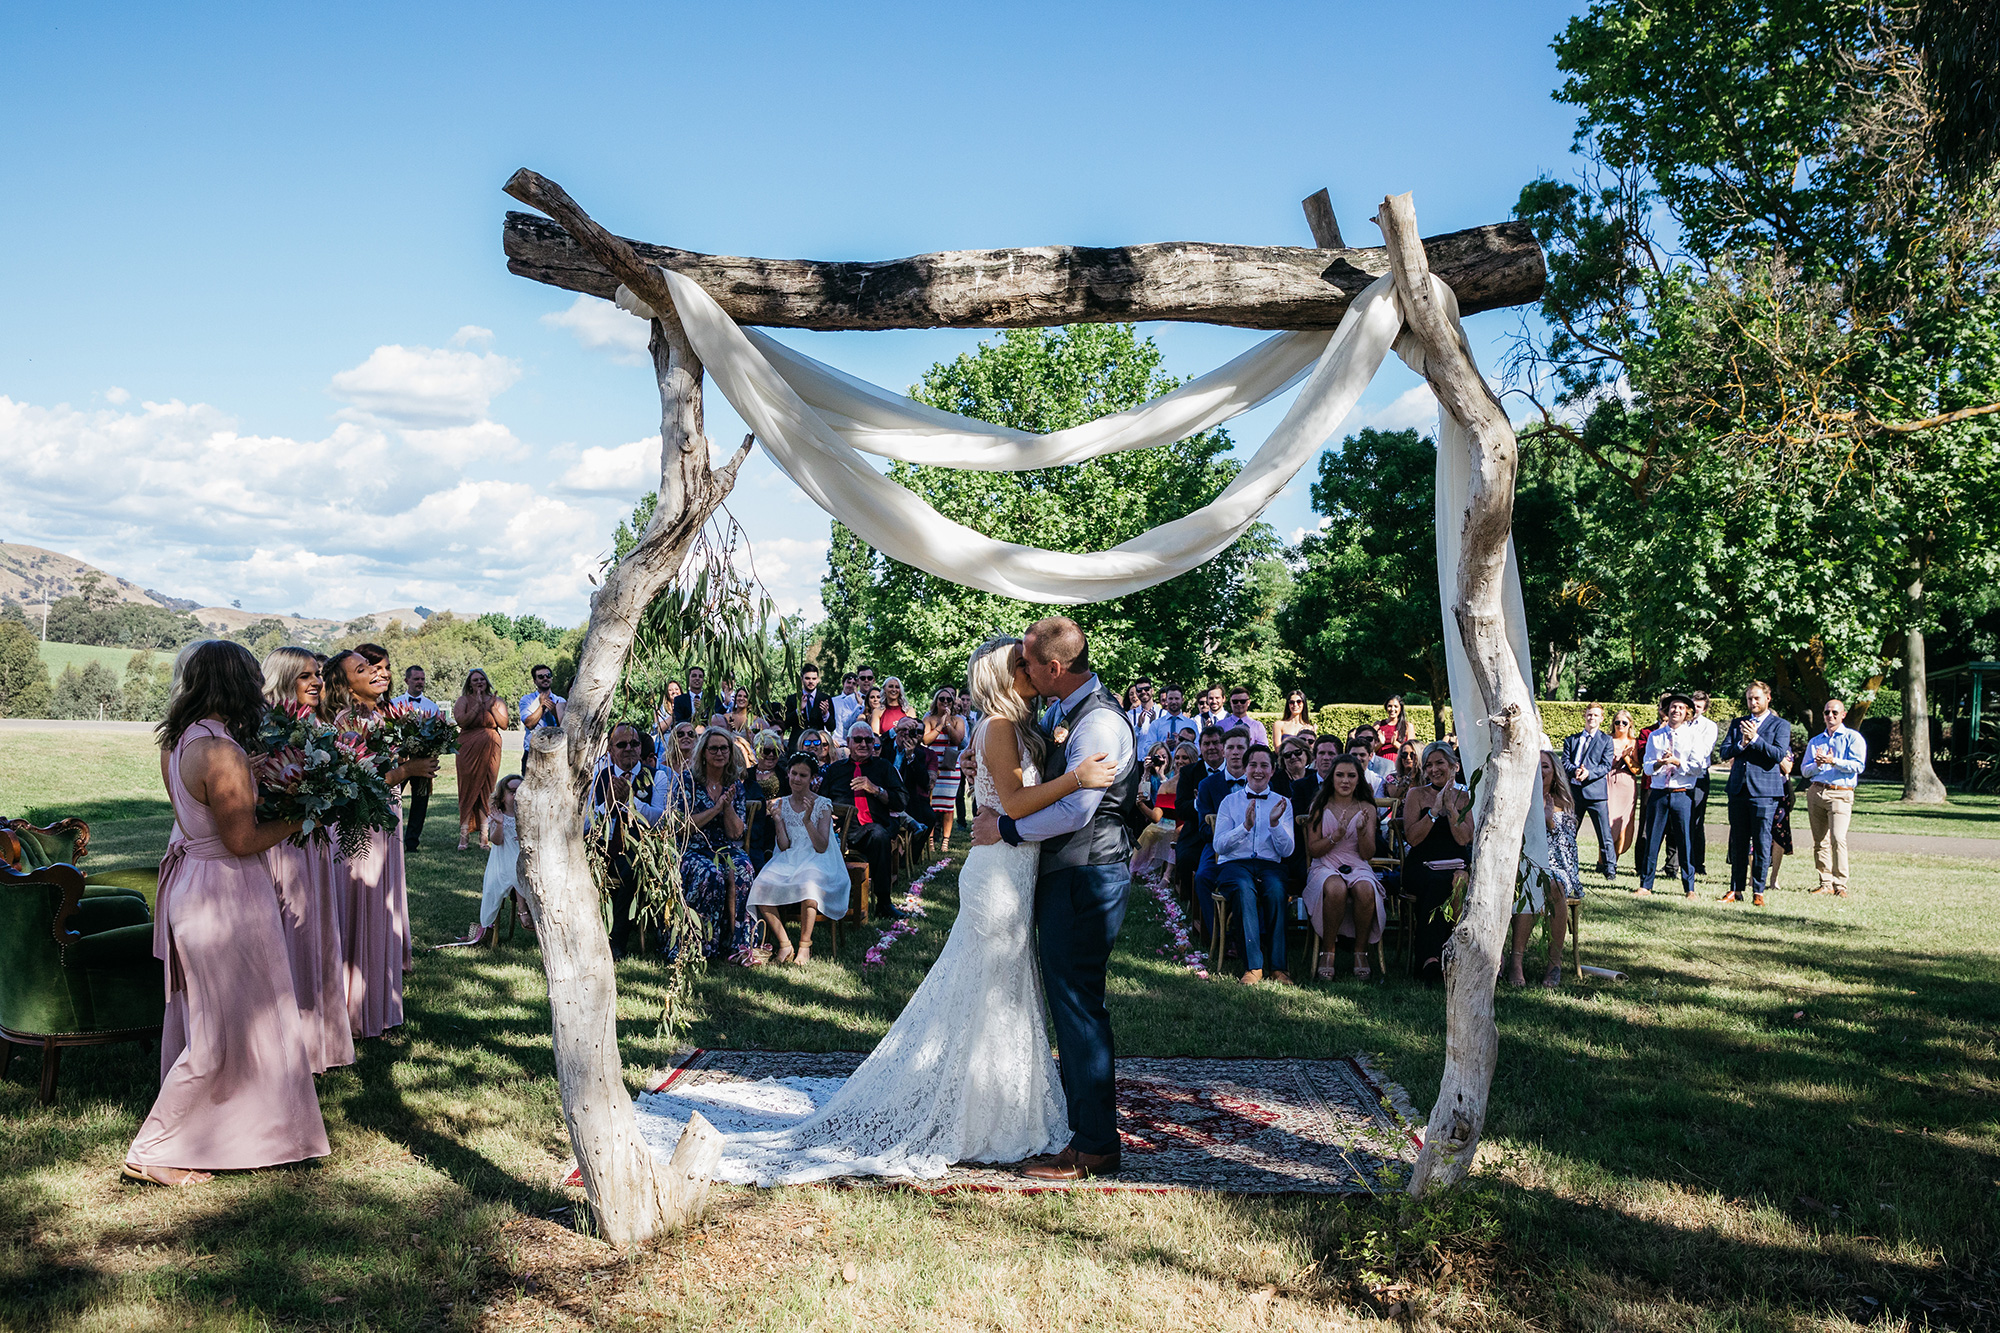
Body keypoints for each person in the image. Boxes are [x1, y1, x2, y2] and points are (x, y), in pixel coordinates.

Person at [649, 634, 1122, 1186]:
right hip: (998, 877)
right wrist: (1074, 778)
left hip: (1017, 873)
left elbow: (1010, 791)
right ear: (1006, 675)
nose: (1031, 671)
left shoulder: (1020, 729)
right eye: (1021, 664)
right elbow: (1016, 803)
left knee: (1006, 994)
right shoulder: (996, 727)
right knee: (988, 990)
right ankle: (977, 1114)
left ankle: (1002, 1105)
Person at [123, 640, 330, 1187]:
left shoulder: (180, 740)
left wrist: (254, 774)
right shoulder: (223, 751)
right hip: (228, 892)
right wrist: (307, 814)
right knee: (223, 1027)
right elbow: (242, 840)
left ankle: (241, 1128)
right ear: (236, 684)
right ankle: (154, 1148)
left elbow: (201, 810)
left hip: (194, 884)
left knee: (227, 1017)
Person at [973, 616, 1139, 1181]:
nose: (1021, 668)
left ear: (1054, 668)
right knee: (1069, 1004)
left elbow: (1078, 809)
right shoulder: (1058, 714)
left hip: (1085, 876)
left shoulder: (1095, 724)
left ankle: (1094, 1145)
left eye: (1027, 660)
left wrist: (1010, 830)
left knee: (1077, 1007)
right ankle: (1079, 1129)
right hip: (1067, 873)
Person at [324, 644, 436, 1039]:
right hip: (358, 827)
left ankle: (377, 1002)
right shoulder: (346, 720)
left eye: (381, 668)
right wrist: (408, 768)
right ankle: (355, 1011)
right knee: (364, 906)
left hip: (384, 817)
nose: (379, 673)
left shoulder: (378, 716)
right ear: (344, 683)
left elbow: (383, 771)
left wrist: (415, 763)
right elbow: (354, 780)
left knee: (380, 905)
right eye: (366, 668)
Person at [259, 646, 353, 1076]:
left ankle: (319, 1042)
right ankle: (286, 1043)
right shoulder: (264, 730)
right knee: (288, 937)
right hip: (280, 848)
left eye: (317, 674)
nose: (317, 682)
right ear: (282, 679)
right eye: (305, 677)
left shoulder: (318, 725)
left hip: (313, 846)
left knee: (316, 934)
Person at [748, 754, 850, 965]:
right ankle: (785, 944)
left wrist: (807, 820)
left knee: (809, 885)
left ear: (812, 778)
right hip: (790, 858)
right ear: (788, 774)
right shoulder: (782, 803)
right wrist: (777, 820)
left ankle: (805, 945)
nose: (797, 779)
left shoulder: (822, 804)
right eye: (794, 773)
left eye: (803, 775)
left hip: (818, 858)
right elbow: (784, 845)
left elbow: (821, 846)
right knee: (760, 886)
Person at [1213, 744, 1294, 985]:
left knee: (1277, 889)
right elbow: (1219, 846)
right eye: (1253, 765)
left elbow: (1287, 850)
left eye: (1264, 766)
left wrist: (1274, 824)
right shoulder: (1229, 802)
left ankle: (1279, 967)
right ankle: (1253, 967)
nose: (1258, 770)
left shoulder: (1283, 803)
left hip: (1270, 864)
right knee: (1243, 888)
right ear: (1245, 768)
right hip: (1235, 864)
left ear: (1272, 770)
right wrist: (1244, 827)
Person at [680, 725, 758, 961]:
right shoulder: (688, 781)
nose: (719, 753)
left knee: (742, 869)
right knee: (711, 874)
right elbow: (683, 826)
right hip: (694, 849)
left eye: (724, 748)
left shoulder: (735, 784)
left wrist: (727, 808)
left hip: (726, 847)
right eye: (713, 748)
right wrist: (715, 809)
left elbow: (736, 834)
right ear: (703, 752)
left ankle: (737, 943)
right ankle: (703, 944)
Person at [590, 722, 667, 959]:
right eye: (621, 744)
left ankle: (616, 942)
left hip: (640, 847)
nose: (628, 749)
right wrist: (609, 804)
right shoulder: (597, 776)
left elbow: (660, 820)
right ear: (611, 750)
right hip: (601, 844)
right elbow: (585, 821)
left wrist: (631, 802)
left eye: (634, 744)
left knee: (628, 869)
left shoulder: (657, 776)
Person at [1303, 753, 1381, 981]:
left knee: (1366, 888)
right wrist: (1335, 836)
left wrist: (1361, 832)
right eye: (1340, 775)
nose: (1345, 781)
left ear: (1359, 779)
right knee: (1336, 888)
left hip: (1356, 862)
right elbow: (1314, 850)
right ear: (1331, 778)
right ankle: (1328, 953)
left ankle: (1361, 952)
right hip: (1325, 862)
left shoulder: (1367, 807)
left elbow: (1367, 854)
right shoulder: (1319, 805)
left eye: (1351, 776)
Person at [818, 722, 908, 918]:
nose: (864, 744)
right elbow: (822, 802)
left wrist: (876, 789)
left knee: (878, 834)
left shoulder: (884, 767)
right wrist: (829, 814)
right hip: (842, 830)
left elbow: (901, 802)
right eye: (858, 740)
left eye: (869, 740)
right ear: (849, 742)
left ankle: (883, 902)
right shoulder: (835, 770)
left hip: (874, 828)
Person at [1717, 681, 1794, 906]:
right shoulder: (1738, 723)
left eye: (1757, 698)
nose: (1752, 702)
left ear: (1768, 698)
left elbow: (1778, 754)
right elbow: (1724, 751)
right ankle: (1735, 889)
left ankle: (1758, 891)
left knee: (1761, 842)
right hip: (1739, 790)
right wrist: (1741, 744)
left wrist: (1757, 740)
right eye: (1750, 698)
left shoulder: (1780, 725)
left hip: (1765, 792)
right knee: (1738, 842)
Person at [1402, 742, 1473, 985]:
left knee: (1454, 882)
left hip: (1456, 866)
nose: (1433, 769)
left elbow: (1464, 838)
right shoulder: (1416, 795)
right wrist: (1433, 811)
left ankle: (1447, 954)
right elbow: (1412, 838)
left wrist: (1450, 807)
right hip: (1421, 867)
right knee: (1437, 883)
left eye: (1440, 763)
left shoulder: (1465, 797)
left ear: (1455, 766)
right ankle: (1431, 958)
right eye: (1429, 764)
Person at [1510, 750, 1580, 989]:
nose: (1539, 771)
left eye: (1545, 767)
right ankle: (1515, 961)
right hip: (1524, 865)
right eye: (1535, 766)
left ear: (1555, 773)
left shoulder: (1563, 803)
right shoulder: (1517, 799)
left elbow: (1566, 847)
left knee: (1551, 884)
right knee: (1530, 881)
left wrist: (1549, 822)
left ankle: (1554, 962)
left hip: (1557, 867)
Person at [1636, 693, 1708, 897]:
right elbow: (1648, 766)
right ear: (1666, 711)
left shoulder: (1693, 736)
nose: (1676, 711)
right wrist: (1660, 762)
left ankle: (1689, 887)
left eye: (1681, 708)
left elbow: (1698, 767)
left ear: (1687, 713)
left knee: (1685, 839)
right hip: (1658, 793)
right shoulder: (1655, 736)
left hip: (1682, 793)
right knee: (1652, 839)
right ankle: (1646, 885)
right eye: (1673, 707)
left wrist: (1677, 762)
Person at [1802, 698, 1867, 897]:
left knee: (1838, 838)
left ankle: (1841, 885)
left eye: (1835, 713)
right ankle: (1825, 882)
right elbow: (1805, 770)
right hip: (1817, 791)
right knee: (1820, 840)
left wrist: (1834, 761)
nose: (1830, 716)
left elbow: (1858, 766)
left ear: (1843, 715)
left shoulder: (1852, 738)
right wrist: (1818, 765)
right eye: (1827, 712)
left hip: (1841, 793)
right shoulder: (1816, 741)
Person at [1192, 730, 1252, 942]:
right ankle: (1218, 937)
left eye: (1240, 748)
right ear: (1223, 752)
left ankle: (1252, 936)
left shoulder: (1259, 781)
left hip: (1253, 846)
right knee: (1203, 877)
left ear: (1248, 750)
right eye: (1231, 748)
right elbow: (1204, 829)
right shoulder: (1208, 785)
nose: (1236, 753)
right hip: (1217, 847)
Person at [461, 774, 530, 946]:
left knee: (519, 863)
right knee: (515, 867)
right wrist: (499, 824)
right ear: (503, 795)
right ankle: (523, 910)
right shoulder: (498, 815)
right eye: (512, 792)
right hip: (500, 863)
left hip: (526, 859)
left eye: (520, 791)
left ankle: (526, 908)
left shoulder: (529, 815)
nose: (516, 795)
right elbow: (497, 842)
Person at [453, 668, 508, 851]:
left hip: (491, 749)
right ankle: (464, 836)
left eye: (482, 679)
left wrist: (491, 707)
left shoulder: (496, 700)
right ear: (469, 683)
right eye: (475, 680)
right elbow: (462, 721)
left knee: (488, 790)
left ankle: (484, 838)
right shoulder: (463, 700)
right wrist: (476, 705)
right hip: (467, 749)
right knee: (467, 790)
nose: (479, 682)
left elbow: (504, 724)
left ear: (486, 681)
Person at [1562, 704, 1618, 878]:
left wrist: (1588, 774)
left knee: (1604, 834)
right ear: (1584, 716)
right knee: (1569, 832)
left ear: (1601, 719)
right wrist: (1575, 771)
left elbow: (1606, 765)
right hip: (1575, 794)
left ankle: (1610, 869)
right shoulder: (1571, 740)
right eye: (1589, 715)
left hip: (1596, 795)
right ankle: (1564, 864)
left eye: (1595, 715)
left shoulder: (1606, 741)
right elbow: (1564, 762)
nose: (1591, 718)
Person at [390, 665, 440, 851]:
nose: (420, 682)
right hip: (399, 761)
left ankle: (412, 843)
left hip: (422, 761)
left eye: (422, 679)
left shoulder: (432, 706)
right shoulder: (393, 704)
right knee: (392, 799)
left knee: (420, 803)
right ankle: (390, 839)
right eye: (416, 679)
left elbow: (437, 734)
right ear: (406, 681)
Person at [921, 686, 968, 849]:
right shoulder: (928, 719)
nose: (945, 702)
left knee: (948, 806)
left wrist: (948, 723)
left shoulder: (959, 720)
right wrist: (939, 726)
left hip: (950, 769)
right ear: (936, 701)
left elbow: (957, 741)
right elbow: (926, 740)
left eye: (949, 700)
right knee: (932, 805)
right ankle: (931, 840)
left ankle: (946, 841)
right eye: (942, 699)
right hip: (932, 768)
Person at [1683, 690, 1718, 877]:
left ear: (1704, 708)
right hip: (1680, 774)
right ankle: (1676, 861)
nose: (1694, 709)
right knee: (1679, 819)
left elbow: (1703, 750)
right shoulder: (1682, 723)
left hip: (1699, 776)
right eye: (1692, 705)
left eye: (1698, 706)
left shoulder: (1709, 727)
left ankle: (1698, 863)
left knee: (1696, 820)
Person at [890, 719, 937, 849]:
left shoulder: (919, 754)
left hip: (908, 798)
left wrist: (910, 756)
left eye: (916, 732)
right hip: (886, 794)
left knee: (928, 816)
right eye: (904, 729)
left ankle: (912, 855)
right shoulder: (885, 746)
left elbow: (924, 782)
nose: (908, 734)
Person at [1607, 711, 1642, 862]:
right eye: (1617, 722)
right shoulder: (1607, 740)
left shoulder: (1633, 742)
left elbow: (1638, 769)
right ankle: (1603, 859)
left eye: (1624, 723)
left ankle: (1615, 859)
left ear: (1630, 725)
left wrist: (1626, 757)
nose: (1620, 725)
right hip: (1608, 783)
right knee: (1607, 823)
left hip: (1626, 785)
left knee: (1622, 824)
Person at [519, 664, 567, 774]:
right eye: (541, 677)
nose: (545, 678)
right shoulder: (527, 700)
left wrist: (555, 712)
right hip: (532, 753)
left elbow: (565, 727)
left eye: (548, 675)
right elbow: (529, 724)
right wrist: (541, 707)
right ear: (535, 681)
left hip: (555, 752)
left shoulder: (560, 700)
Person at [785, 664, 835, 748]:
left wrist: (826, 714)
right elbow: (786, 724)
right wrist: (798, 710)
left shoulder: (825, 698)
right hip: (797, 744)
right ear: (802, 679)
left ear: (818, 680)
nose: (811, 681)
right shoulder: (792, 699)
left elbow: (831, 727)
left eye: (814, 678)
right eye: (807, 678)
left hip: (818, 744)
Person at [1140, 686, 1195, 752]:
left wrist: (1183, 744)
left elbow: (1198, 748)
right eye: (1171, 699)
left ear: (1182, 700)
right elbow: (1147, 748)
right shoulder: (1156, 724)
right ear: (1166, 700)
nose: (1174, 702)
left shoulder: (1191, 724)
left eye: (1177, 698)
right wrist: (1164, 746)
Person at [831, 670, 863, 739]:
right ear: (843, 683)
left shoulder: (860, 703)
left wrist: (859, 705)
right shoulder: (833, 701)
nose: (851, 686)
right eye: (848, 683)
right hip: (836, 740)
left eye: (854, 684)